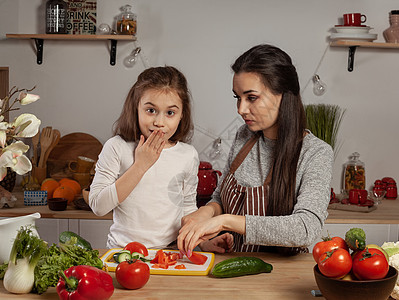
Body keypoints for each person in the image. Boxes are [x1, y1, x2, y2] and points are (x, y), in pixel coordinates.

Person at [178, 44, 333, 256]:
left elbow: (305, 229)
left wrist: (225, 221)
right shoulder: (245, 135)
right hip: (233, 266)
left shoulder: (315, 153)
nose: (241, 109)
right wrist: (207, 212)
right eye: (237, 98)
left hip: (284, 277)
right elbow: (220, 198)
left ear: (283, 95)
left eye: (251, 98)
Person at [89, 66, 200, 249]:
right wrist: (140, 165)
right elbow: (98, 206)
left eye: (170, 113)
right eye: (151, 110)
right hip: (123, 253)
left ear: (182, 115)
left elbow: (188, 207)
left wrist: (205, 240)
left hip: (169, 253)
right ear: (136, 108)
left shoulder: (188, 155)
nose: (159, 122)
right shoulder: (117, 147)